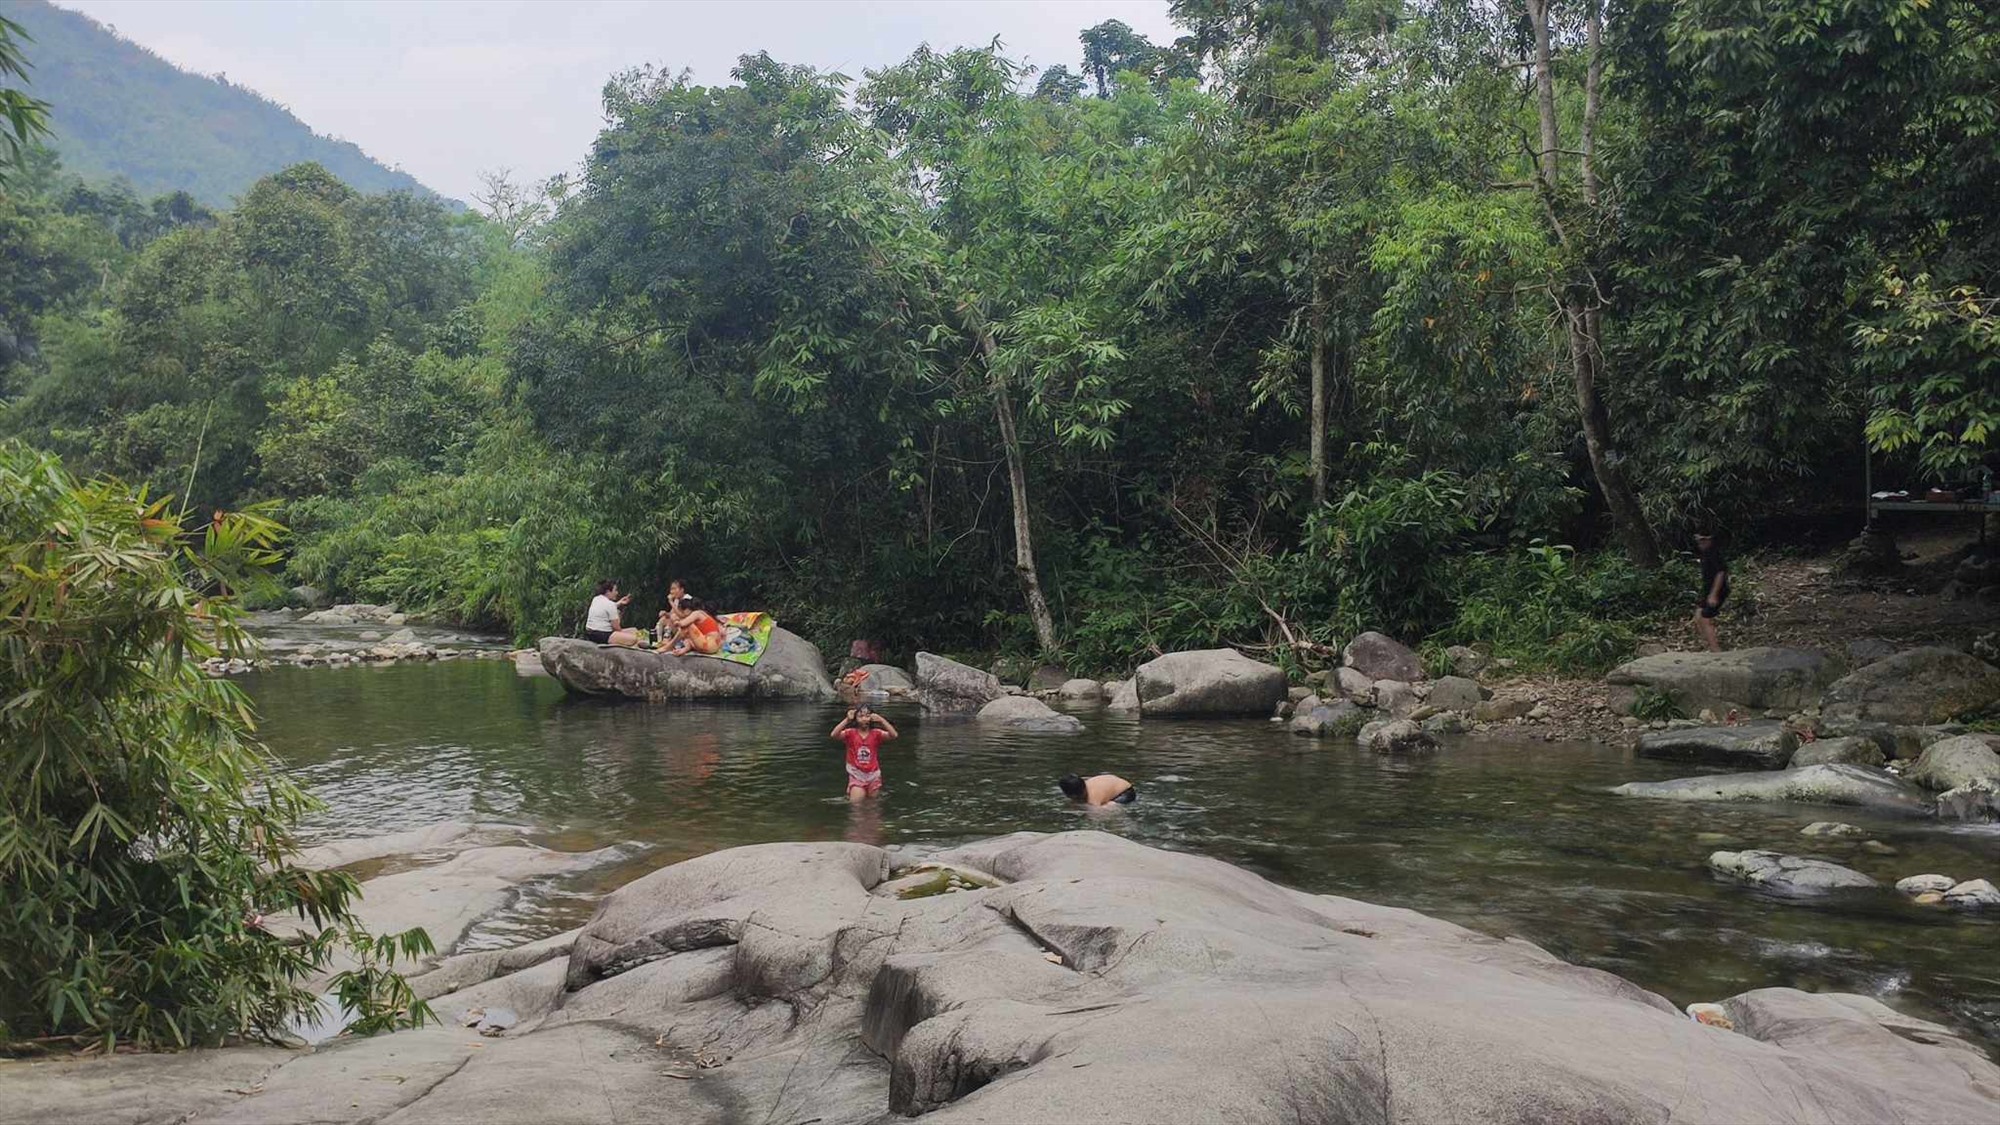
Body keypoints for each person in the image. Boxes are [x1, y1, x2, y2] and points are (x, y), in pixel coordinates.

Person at [830, 704, 898, 801]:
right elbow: (834, 735)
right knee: (856, 806)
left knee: (873, 805)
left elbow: (894, 735)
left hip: (873, 774)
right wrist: (847, 720)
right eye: (860, 716)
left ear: (871, 718)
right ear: (855, 718)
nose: (864, 719)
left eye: (867, 716)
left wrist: (882, 720)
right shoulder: (850, 733)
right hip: (856, 774)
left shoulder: (876, 733)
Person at [1691, 530, 1730, 653]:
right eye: (1698, 540)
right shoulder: (1705, 553)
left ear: (1709, 540)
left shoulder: (1714, 553)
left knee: (1704, 618)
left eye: (1703, 540)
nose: (1700, 543)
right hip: (1708, 590)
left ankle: (1716, 650)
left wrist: (1714, 594)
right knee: (1698, 616)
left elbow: (1721, 572)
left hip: (1717, 590)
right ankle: (1709, 644)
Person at [584, 580, 643, 646]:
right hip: (602, 634)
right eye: (615, 590)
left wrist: (620, 603)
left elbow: (606, 607)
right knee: (633, 639)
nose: (617, 593)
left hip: (591, 632)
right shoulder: (610, 604)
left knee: (634, 630)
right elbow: (616, 628)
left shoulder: (596, 599)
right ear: (608, 592)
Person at [1059, 773, 1135, 806]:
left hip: (1125, 792)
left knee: (1108, 807)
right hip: (1111, 782)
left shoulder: (1093, 797)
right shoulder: (1080, 786)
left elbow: (1095, 816)